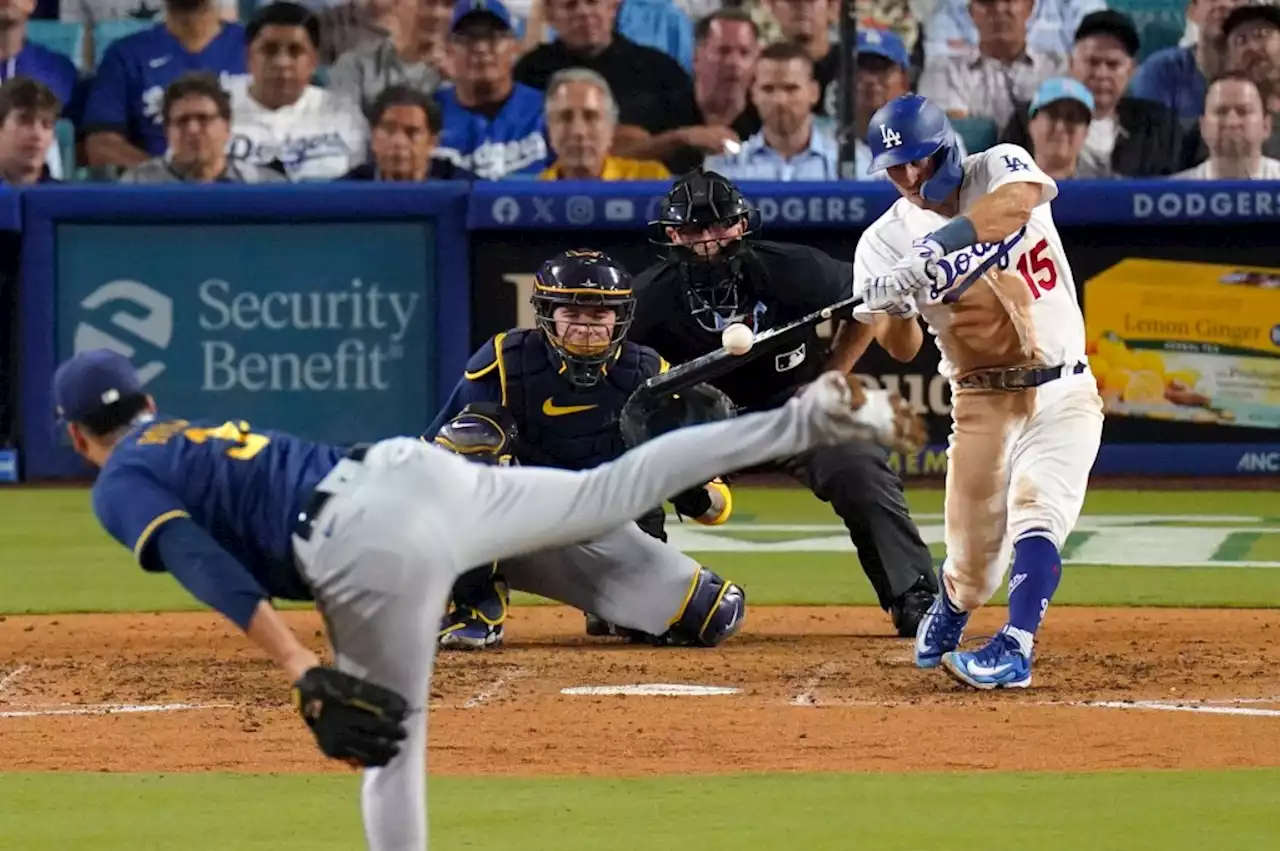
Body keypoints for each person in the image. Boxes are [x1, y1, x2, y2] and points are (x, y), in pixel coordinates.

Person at [60, 346, 887, 850]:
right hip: (412, 471)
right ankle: (795, 423)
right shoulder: (183, 434)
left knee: (389, 750)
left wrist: (301, 663)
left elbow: (199, 559)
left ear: (73, 434)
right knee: (606, 491)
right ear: (148, 403)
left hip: (363, 542)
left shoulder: (124, 475)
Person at [856, 93, 1104, 689]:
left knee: (1039, 512)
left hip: (1063, 388)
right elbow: (903, 347)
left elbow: (1016, 207)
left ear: (947, 147)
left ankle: (1015, 647)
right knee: (972, 567)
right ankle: (954, 601)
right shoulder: (880, 243)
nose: (911, 178)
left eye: (920, 160)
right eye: (897, 167)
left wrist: (938, 249)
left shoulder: (999, 166)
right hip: (981, 402)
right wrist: (889, 303)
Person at [628, 169, 939, 639]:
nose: (709, 241)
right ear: (672, 235)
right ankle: (629, 597)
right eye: (695, 229)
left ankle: (912, 594)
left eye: (720, 226)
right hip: (696, 426)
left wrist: (830, 377)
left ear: (742, 224)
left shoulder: (793, 268)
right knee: (628, 459)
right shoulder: (649, 298)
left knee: (857, 461)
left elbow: (867, 304)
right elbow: (626, 378)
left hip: (788, 410)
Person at [424, 249, 739, 648]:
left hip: (609, 525)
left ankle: (611, 606)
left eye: (599, 316)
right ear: (546, 315)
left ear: (620, 317)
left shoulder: (649, 374)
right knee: (471, 438)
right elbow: (434, 456)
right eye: (572, 314)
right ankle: (477, 604)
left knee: (714, 613)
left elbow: (717, 508)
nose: (586, 328)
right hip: (521, 521)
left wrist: (687, 488)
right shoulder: (506, 361)